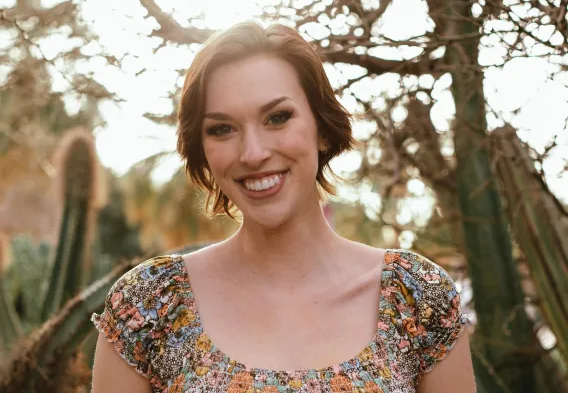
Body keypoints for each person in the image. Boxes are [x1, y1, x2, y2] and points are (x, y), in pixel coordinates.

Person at [91, 21, 476, 393]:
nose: (253, 153)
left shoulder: (416, 298)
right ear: (203, 150)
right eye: (222, 128)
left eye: (277, 118)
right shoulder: (151, 304)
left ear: (322, 129)